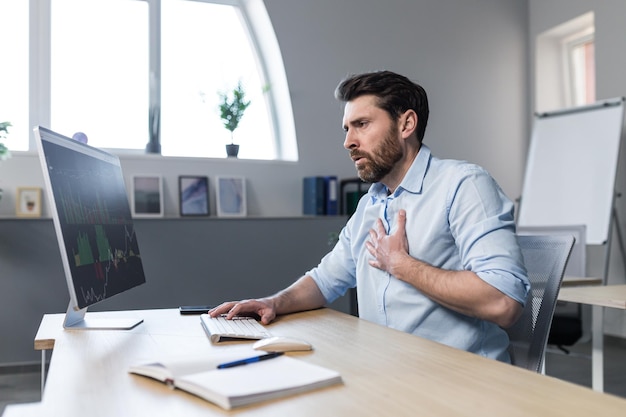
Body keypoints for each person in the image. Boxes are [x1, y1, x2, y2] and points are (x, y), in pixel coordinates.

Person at [209, 70, 529, 362]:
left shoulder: (463, 185)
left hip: (465, 381)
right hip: (388, 371)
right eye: (347, 128)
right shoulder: (370, 205)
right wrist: (273, 303)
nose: (348, 141)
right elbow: (324, 281)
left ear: (406, 124)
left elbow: (503, 302)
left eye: (362, 124)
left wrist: (402, 265)